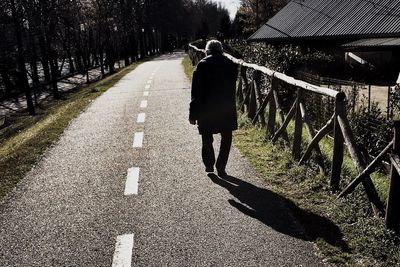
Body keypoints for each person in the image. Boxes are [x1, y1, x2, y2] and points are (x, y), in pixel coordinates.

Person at [189, 40, 238, 177]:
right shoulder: (230, 64)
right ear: (221, 50)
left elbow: (195, 92)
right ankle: (221, 167)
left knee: (206, 136)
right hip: (226, 108)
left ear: (207, 51)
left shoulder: (202, 65)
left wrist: (193, 114)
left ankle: (209, 164)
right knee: (226, 137)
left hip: (206, 109)